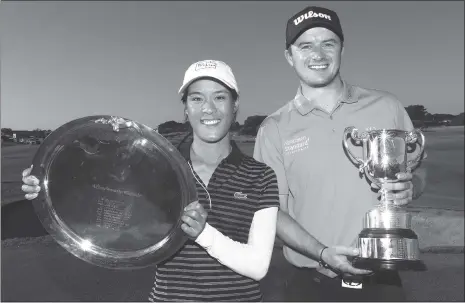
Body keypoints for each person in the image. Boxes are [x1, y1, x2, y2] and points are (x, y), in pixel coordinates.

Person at [21, 60, 280, 302]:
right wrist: (48, 182)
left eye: (220, 97)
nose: (208, 108)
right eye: (197, 98)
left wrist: (204, 233)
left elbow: (257, 266)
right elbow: (101, 186)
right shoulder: (156, 164)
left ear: (235, 105)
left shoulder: (261, 176)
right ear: (186, 109)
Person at [253, 6, 428, 302]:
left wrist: (414, 185)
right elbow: (271, 213)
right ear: (289, 56)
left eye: (328, 43)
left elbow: (420, 169)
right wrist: (322, 254)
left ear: (341, 49)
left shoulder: (387, 106)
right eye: (305, 45)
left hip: (384, 280)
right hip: (311, 284)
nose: (317, 55)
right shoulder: (274, 128)